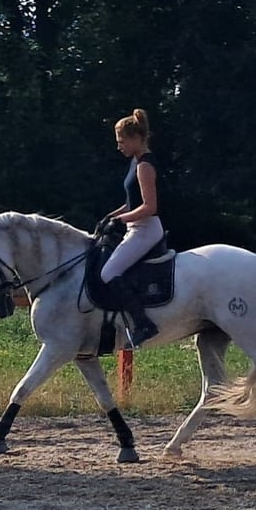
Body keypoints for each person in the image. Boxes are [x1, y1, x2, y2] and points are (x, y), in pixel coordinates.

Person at [100, 108, 164, 348]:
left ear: (136, 138)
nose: (119, 146)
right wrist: (110, 216)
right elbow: (131, 202)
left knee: (108, 273)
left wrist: (121, 220)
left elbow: (149, 206)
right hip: (136, 226)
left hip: (145, 228)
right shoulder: (135, 162)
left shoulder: (145, 166)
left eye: (122, 141)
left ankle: (143, 323)